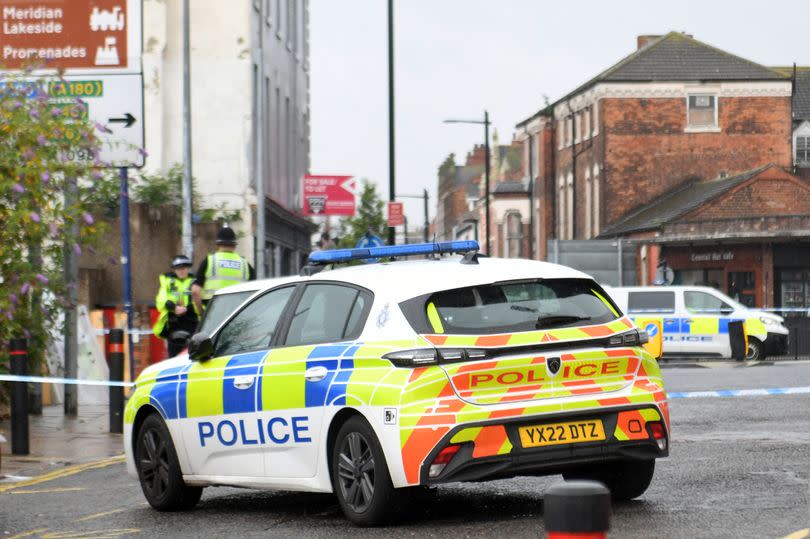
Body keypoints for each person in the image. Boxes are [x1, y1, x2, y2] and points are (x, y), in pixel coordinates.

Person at [191, 226, 255, 314]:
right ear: (234, 245)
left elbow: (195, 291)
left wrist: (201, 312)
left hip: (213, 313)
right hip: (238, 315)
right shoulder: (245, 264)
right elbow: (254, 293)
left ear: (218, 244)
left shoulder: (209, 261)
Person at [153, 255, 199, 357]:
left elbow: (201, 300)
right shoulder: (167, 281)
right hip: (174, 322)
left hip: (192, 321)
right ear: (174, 270)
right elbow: (160, 300)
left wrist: (187, 309)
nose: (181, 271)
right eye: (178, 269)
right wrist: (173, 307)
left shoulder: (195, 281)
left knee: (193, 355)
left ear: (188, 268)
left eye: (184, 268)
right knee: (173, 356)